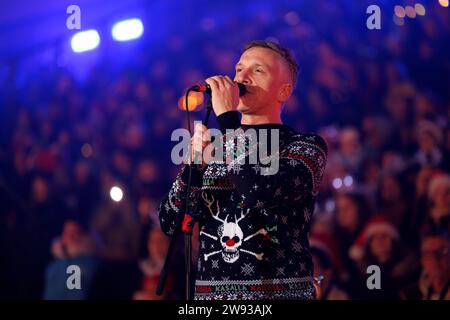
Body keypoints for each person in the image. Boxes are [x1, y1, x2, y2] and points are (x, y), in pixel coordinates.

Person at [158, 40, 328, 300]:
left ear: (283, 92)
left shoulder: (304, 147)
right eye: (239, 69)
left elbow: (258, 191)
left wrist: (227, 119)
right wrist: (193, 167)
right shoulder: (215, 147)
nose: (242, 77)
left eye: (258, 70)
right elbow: (171, 222)